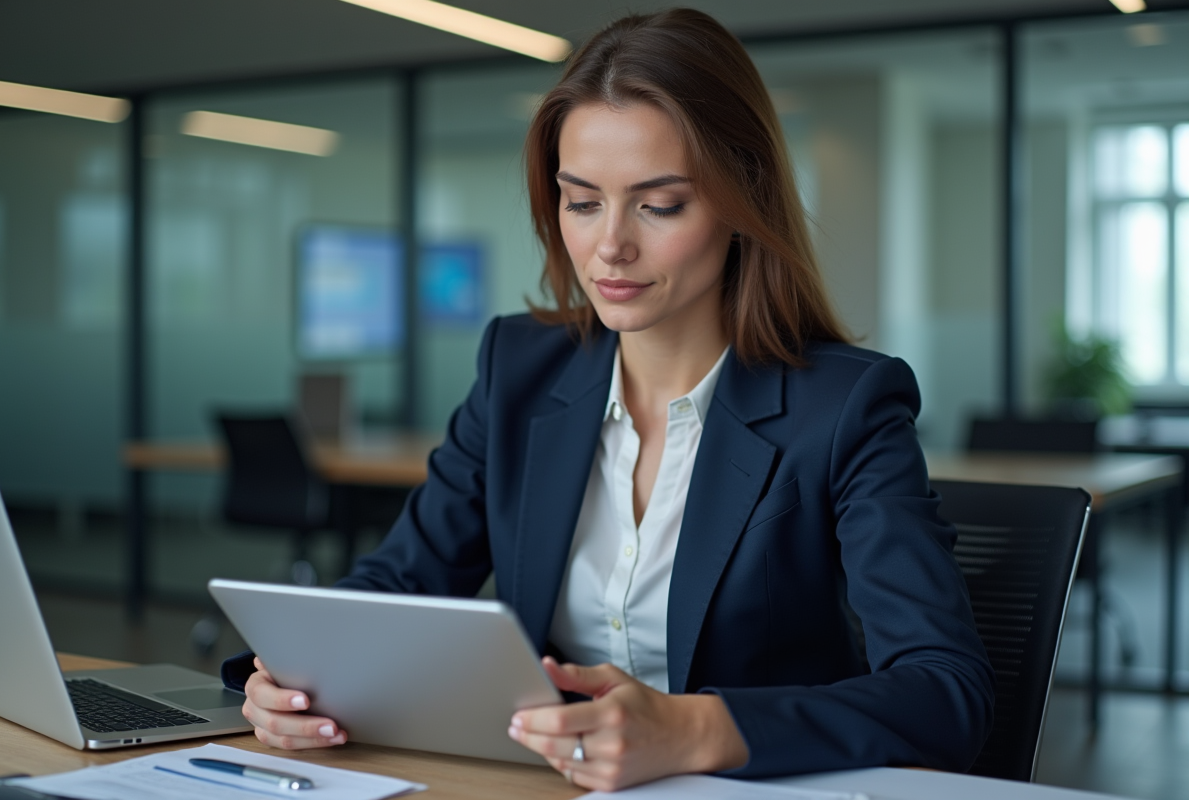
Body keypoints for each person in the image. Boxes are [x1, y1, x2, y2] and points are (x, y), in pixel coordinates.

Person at [223, 8, 994, 791]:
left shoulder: (846, 406)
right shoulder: (517, 369)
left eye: (659, 205)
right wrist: (290, 677)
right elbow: (396, 587)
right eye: (582, 201)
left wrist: (695, 729)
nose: (609, 246)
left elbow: (945, 693)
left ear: (741, 203)